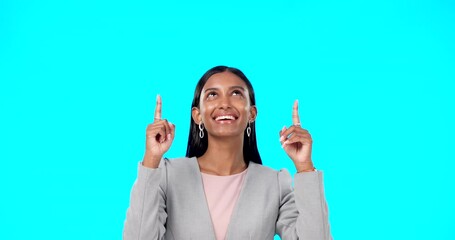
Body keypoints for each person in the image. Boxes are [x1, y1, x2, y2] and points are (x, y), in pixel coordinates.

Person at [123, 66, 332, 240]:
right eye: (213, 94)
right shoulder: (167, 175)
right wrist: (151, 160)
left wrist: (304, 166)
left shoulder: (274, 183)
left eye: (236, 93)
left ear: (252, 113)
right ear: (197, 115)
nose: (224, 103)